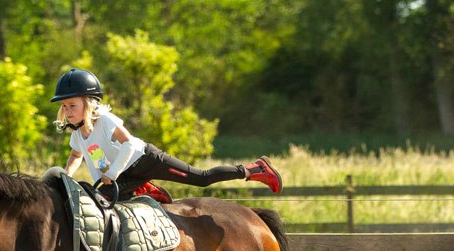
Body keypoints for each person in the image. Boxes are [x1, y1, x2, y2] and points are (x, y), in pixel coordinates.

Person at [50, 68, 282, 202]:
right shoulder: (78, 135)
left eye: (72, 105)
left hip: (146, 161)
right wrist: (66, 174)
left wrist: (112, 172)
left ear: (89, 104)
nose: (67, 111)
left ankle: (254, 170)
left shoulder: (106, 121)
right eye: (65, 107)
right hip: (121, 177)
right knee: (103, 202)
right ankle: (148, 193)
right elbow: (75, 155)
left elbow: (129, 145)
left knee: (201, 178)